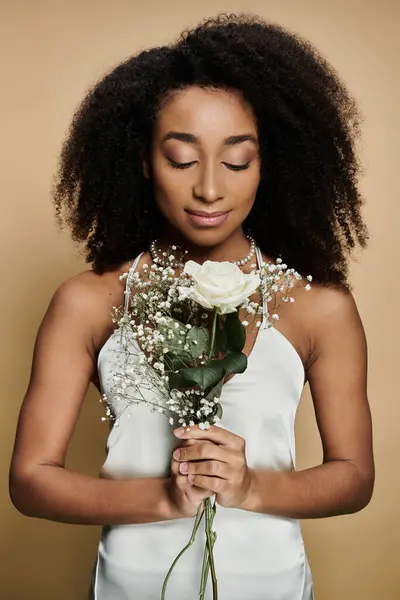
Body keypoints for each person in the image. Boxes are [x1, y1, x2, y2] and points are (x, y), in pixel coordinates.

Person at [9, 12, 375, 600]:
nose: (209, 188)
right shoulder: (89, 300)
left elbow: (356, 477)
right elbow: (30, 481)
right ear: (141, 160)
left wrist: (251, 487)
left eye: (236, 161)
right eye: (181, 159)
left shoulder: (318, 306)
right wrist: (162, 497)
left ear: (271, 164)